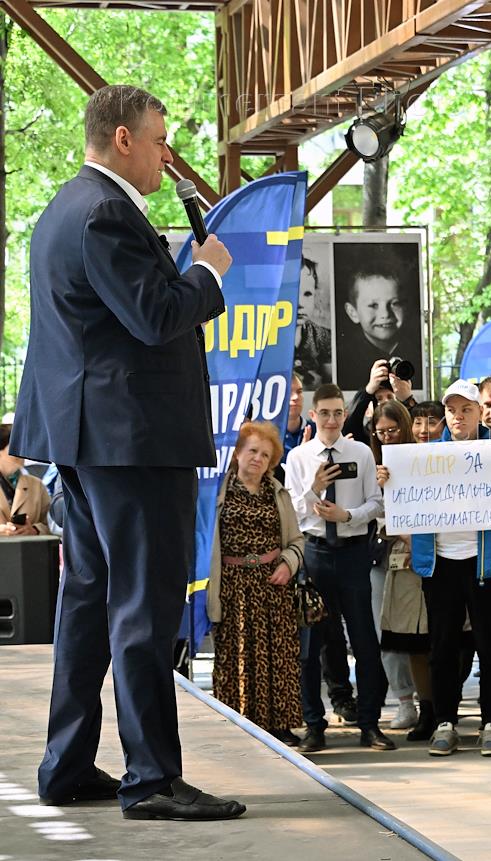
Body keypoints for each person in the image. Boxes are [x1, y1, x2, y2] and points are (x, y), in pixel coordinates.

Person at [17, 85, 243, 820]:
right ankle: (151, 779)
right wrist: (207, 271)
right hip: (132, 440)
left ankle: (66, 764)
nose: (164, 156)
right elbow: (155, 316)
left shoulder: (64, 209)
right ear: (123, 138)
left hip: (86, 440)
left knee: (88, 603)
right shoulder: (107, 213)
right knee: (145, 604)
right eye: (158, 140)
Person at [411, 380, 491, 758]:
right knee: (442, 647)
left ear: (480, 412)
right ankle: (445, 722)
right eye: (452, 410)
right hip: (441, 563)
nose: (458, 416)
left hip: (487, 565)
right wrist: (391, 483)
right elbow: (406, 504)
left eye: (466, 409)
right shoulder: (425, 456)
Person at [285, 383, 393, 753]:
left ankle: (370, 724)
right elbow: (293, 513)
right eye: (324, 413)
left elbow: (376, 503)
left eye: (337, 413)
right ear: (313, 415)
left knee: (364, 641)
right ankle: (314, 726)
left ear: (345, 415)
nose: (331, 420)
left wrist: (346, 515)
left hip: (353, 553)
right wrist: (314, 488)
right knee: (311, 646)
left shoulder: (360, 452)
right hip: (315, 554)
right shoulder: (299, 458)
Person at [208, 422, 306, 746]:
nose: (258, 459)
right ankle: (238, 726)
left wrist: (288, 564)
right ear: (237, 453)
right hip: (232, 587)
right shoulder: (219, 492)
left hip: (272, 587)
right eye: (252, 451)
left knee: (278, 658)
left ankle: (280, 726)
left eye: (265, 455)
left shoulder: (278, 492)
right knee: (235, 657)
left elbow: (297, 541)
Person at [370, 400, 436, 741]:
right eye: (380, 432)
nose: (387, 437)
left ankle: (444, 706)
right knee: (411, 638)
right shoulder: (374, 463)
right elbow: (376, 512)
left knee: (447, 637)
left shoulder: (426, 456)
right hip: (399, 558)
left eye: (393, 430)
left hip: (442, 552)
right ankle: (423, 707)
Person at [335, 266, 408, 390]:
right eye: (373, 305)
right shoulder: (346, 362)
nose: (385, 314)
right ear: (353, 312)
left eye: (395, 303)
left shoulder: (416, 352)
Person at [0, 423, 52, 535]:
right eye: (15, 446)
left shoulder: (36, 484)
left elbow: (52, 525)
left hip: (29, 545)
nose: (21, 452)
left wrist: (35, 530)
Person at [294, 256, 332, 389]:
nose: (300, 303)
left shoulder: (323, 336)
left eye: (307, 294)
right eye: (292, 293)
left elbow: (330, 381)